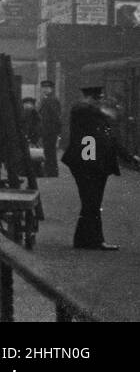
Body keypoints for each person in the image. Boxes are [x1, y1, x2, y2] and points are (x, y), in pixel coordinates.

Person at [61, 85, 139, 250]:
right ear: (93, 99)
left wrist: (129, 157)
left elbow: (110, 139)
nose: (102, 102)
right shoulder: (87, 113)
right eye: (99, 98)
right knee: (92, 202)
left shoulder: (90, 114)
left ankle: (84, 240)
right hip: (90, 165)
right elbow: (100, 139)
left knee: (91, 202)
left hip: (90, 164)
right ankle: (93, 240)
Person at [39, 80, 61, 178]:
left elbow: (55, 117)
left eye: (47, 88)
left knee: (50, 152)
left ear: (51, 89)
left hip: (50, 131)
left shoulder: (51, 100)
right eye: (44, 88)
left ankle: (51, 172)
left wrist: (56, 131)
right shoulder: (46, 99)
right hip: (47, 130)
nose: (45, 90)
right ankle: (50, 171)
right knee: (49, 152)